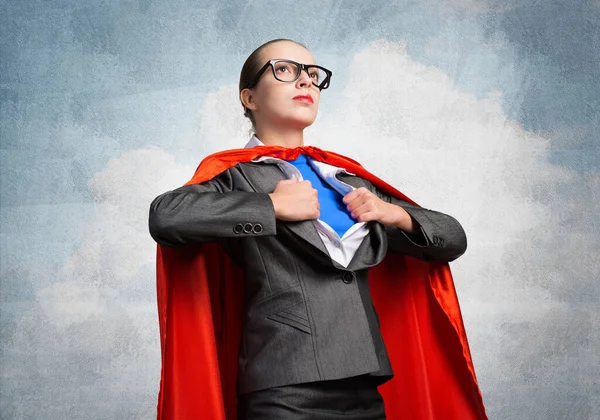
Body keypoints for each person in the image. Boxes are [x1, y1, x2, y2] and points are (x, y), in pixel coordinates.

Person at [149, 39, 487, 420]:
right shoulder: (234, 175)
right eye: (285, 70)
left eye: (312, 74)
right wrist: (272, 206)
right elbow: (167, 217)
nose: (305, 82)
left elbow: (452, 238)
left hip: (365, 387)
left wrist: (394, 215)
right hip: (283, 389)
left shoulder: (347, 178)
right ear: (250, 98)